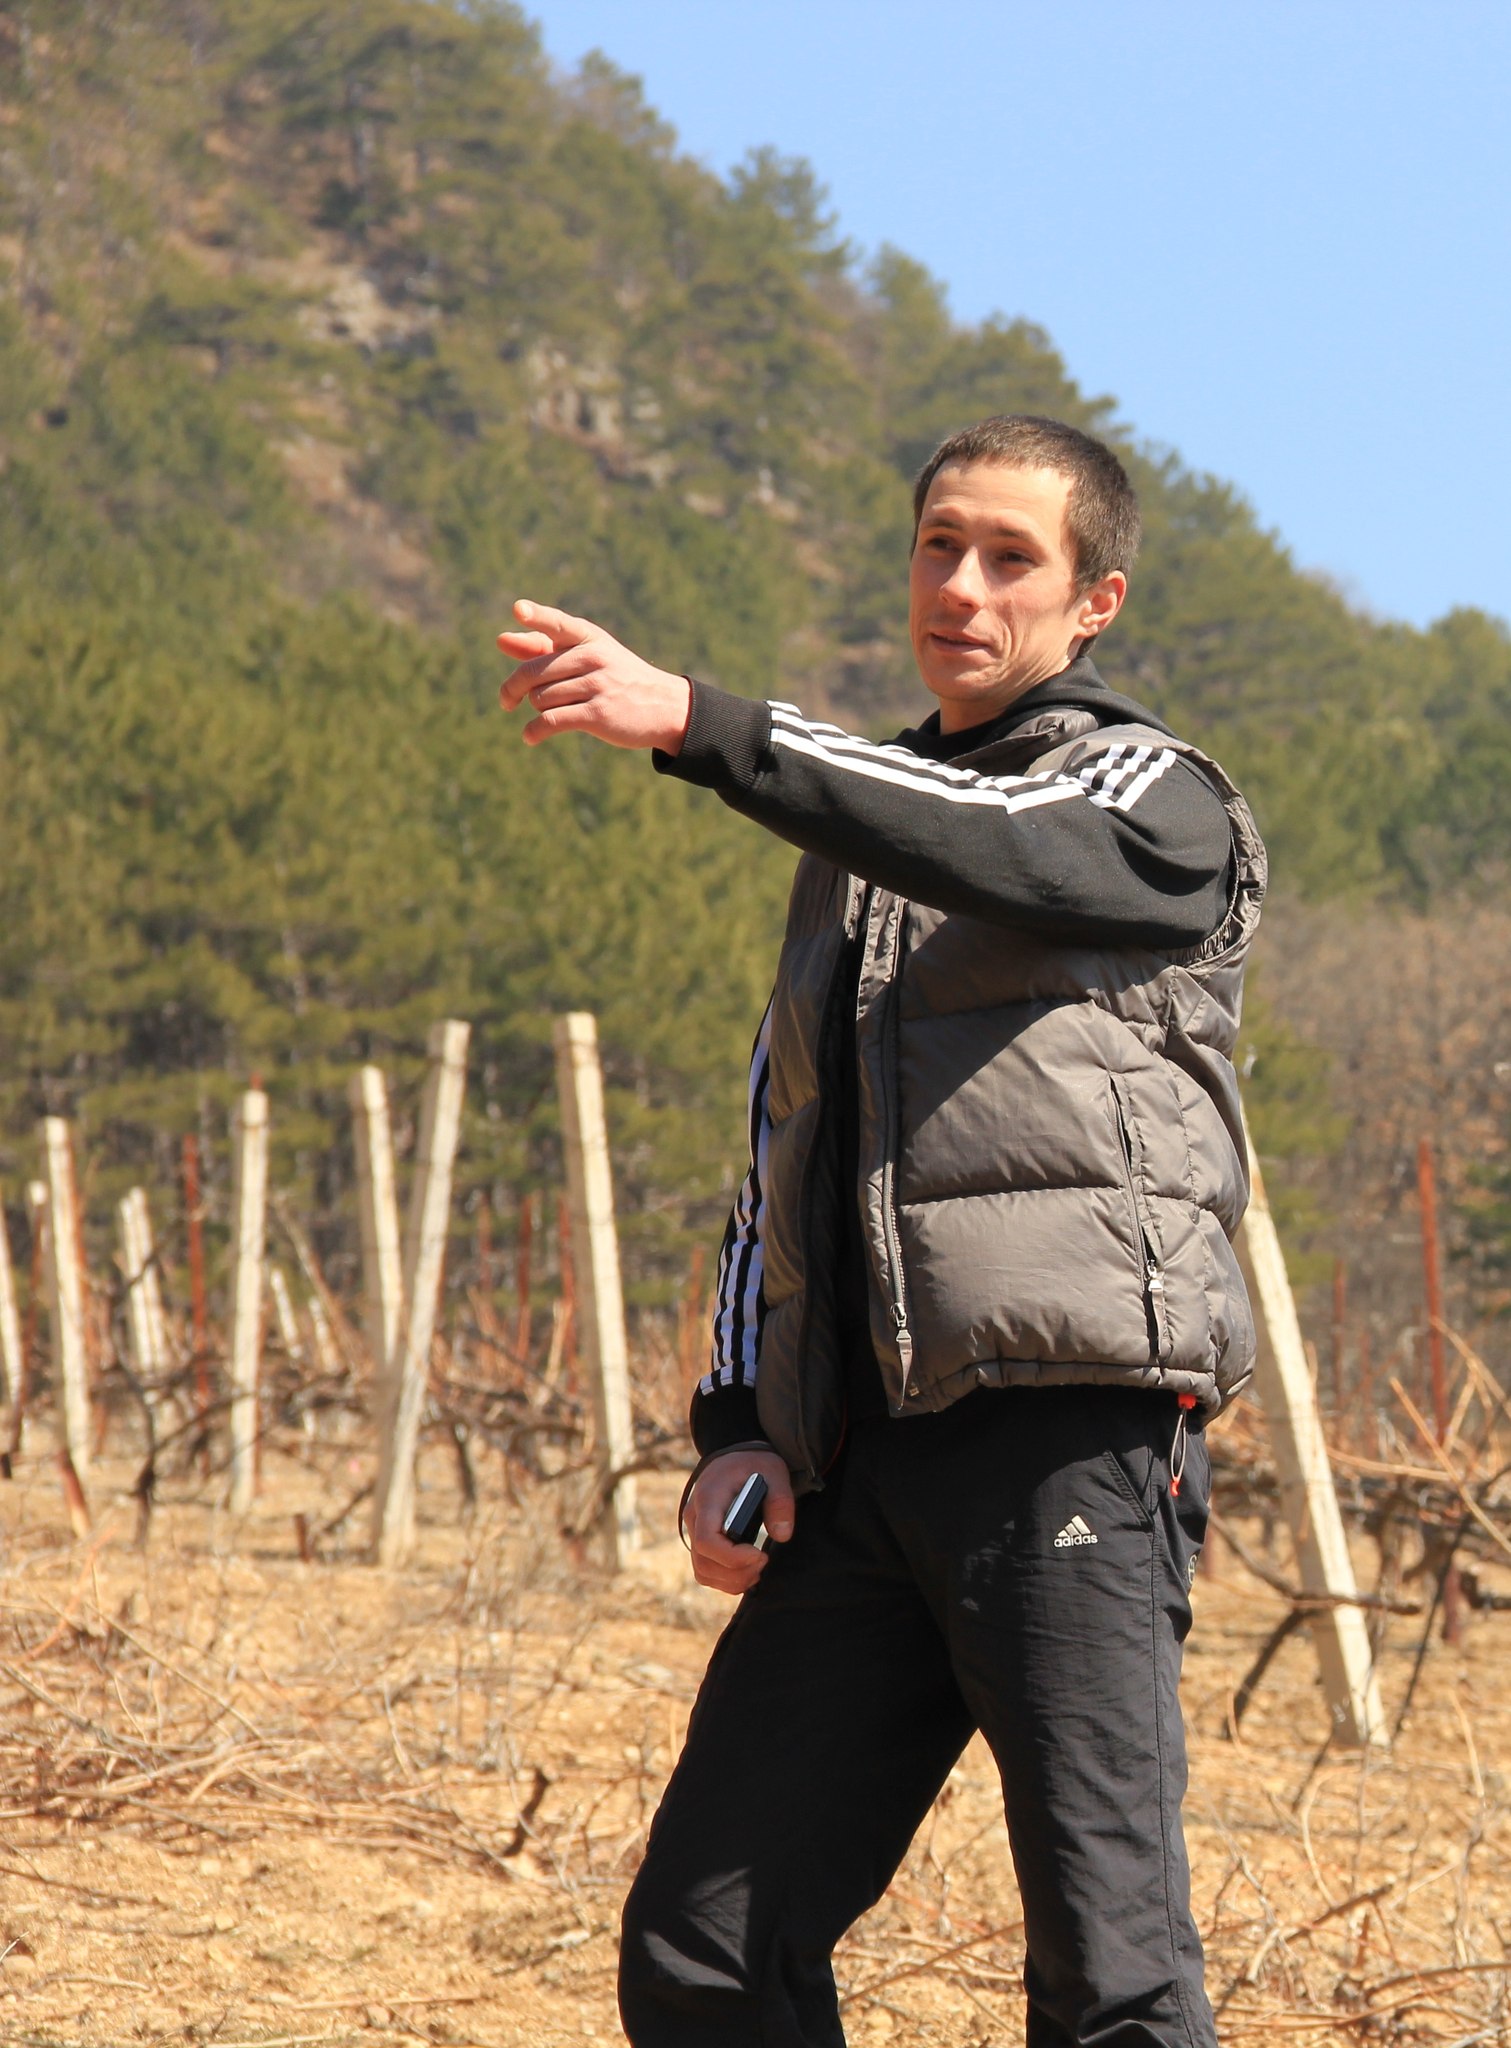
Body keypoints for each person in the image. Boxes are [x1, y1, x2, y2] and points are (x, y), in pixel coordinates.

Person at [497, 414, 1266, 2048]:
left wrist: (704, 724)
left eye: (1011, 557)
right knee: (708, 1945)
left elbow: (1005, 842)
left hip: (1071, 1445)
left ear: (1097, 602)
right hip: (860, 1473)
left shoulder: (1153, 795)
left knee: (1110, 1974)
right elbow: (780, 1154)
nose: (962, 586)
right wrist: (738, 1423)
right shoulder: (852, 864)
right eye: (938, 546)